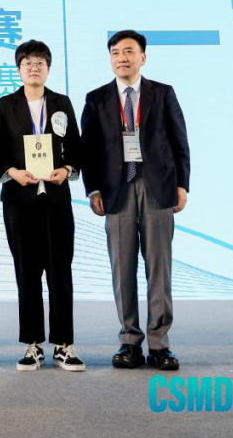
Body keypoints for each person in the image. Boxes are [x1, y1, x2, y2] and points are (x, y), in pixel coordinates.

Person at [80, 30, 190, 371]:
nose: (121, 58)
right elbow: (89, 150)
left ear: (143, 57)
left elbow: (179, 141)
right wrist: (93, 189)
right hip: (116, 189)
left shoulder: (163, 93)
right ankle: (129, 341)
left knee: (159, 267)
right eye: (115, 52)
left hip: (158, 187)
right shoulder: (97, 98)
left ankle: (159, 344)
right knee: (122, 268)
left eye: (128, 51)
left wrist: (182, 185)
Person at [0, 40, 85, 372]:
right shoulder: (6, 104)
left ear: (48, 68)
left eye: (40, 62)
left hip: (55, 199)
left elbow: (75, 146)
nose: (34, 67)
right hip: (19, 200)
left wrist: (68, 169)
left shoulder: (61, 103)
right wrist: (13, 172)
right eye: (27, 62)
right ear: (19, 69)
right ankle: (33, 344)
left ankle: (63, 344)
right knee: (26, 273)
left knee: (60, 272)